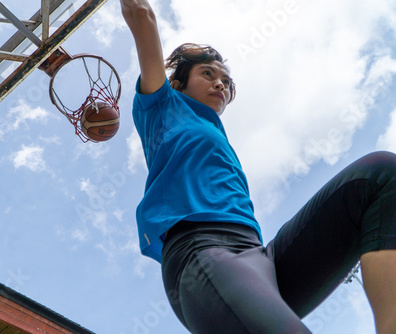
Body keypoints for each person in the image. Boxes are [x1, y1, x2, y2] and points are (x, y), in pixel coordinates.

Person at [120, 0, 396, 333]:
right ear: (178, 83)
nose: (220, 83)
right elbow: (141, 14)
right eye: (207, 74)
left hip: (261, 260)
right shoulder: (162, 107)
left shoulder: (214, 132)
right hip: (203, 253)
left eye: (225, 79)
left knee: (382, 174)